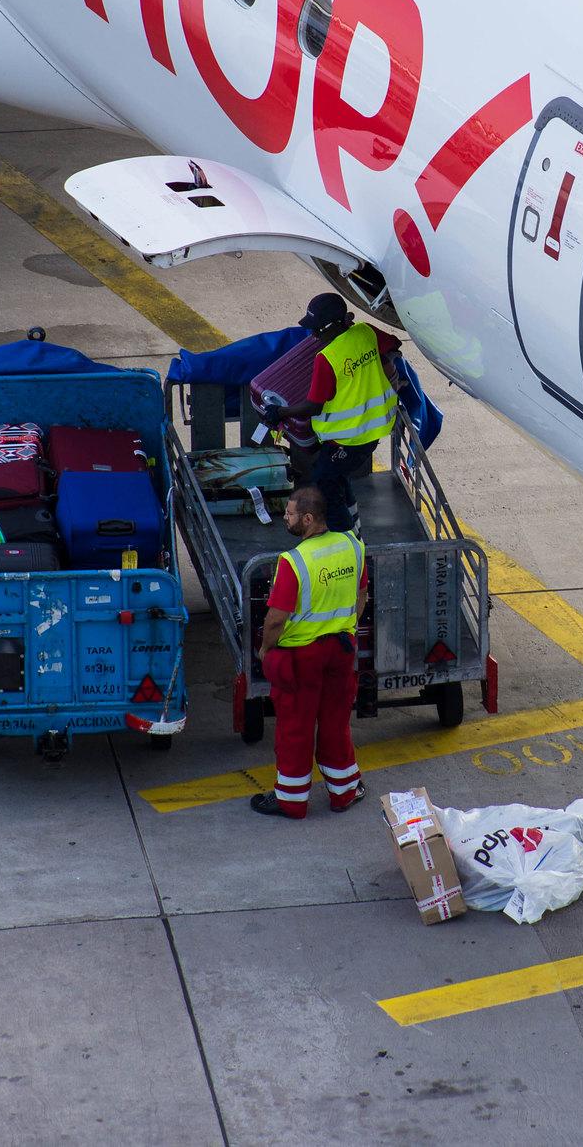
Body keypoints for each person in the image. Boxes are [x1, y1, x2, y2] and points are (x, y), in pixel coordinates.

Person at [250, 485, 368, 819]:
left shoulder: (294, 561)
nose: (284, 519)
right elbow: (362, 596)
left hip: (300, 658)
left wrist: (265, 648)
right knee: (335, 723)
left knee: (295, 728)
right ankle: (345, 791)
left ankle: (291, 800)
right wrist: (344, 626)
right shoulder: (352, 546)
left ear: (308, 518)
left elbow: (276, 619)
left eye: (288, 514)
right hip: (341, 651)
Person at [275, 292, 406, 532]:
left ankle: (347, 540)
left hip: (348, 439)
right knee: (336, 476)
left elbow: (313, 406)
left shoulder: (327, 358)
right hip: (373, 429)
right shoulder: (366, 332)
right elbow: (393, 345)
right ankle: (354, 521)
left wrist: (280, 412)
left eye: (318, 330)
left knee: (325, 487)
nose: (314, 335)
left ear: (335, 325)